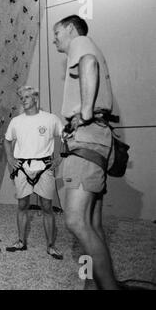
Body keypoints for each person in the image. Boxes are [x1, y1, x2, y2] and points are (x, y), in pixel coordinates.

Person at [53, 15, 119, 289]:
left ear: (70, 29)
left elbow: (88, 64)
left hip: (86, 142)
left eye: (56, 32)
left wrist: (85, 112)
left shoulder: (80, 42)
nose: (55, 38)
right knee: (92, 223)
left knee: (75, 220)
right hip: (98, 141)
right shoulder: (90, 44)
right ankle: (91, 284)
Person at [4, 86, 64, 260]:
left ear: (36, 98)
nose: (24, 100)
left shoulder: (51, 119)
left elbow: (63, 137)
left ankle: (51, 246)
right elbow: (7, 141)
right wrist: (10, 159)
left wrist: (59, 157)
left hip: (44, 167)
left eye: (28, 97)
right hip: (22, 167)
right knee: (22, 205)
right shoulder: (16, 121)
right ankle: (21, 241)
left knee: (46, 206)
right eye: (22, 97)